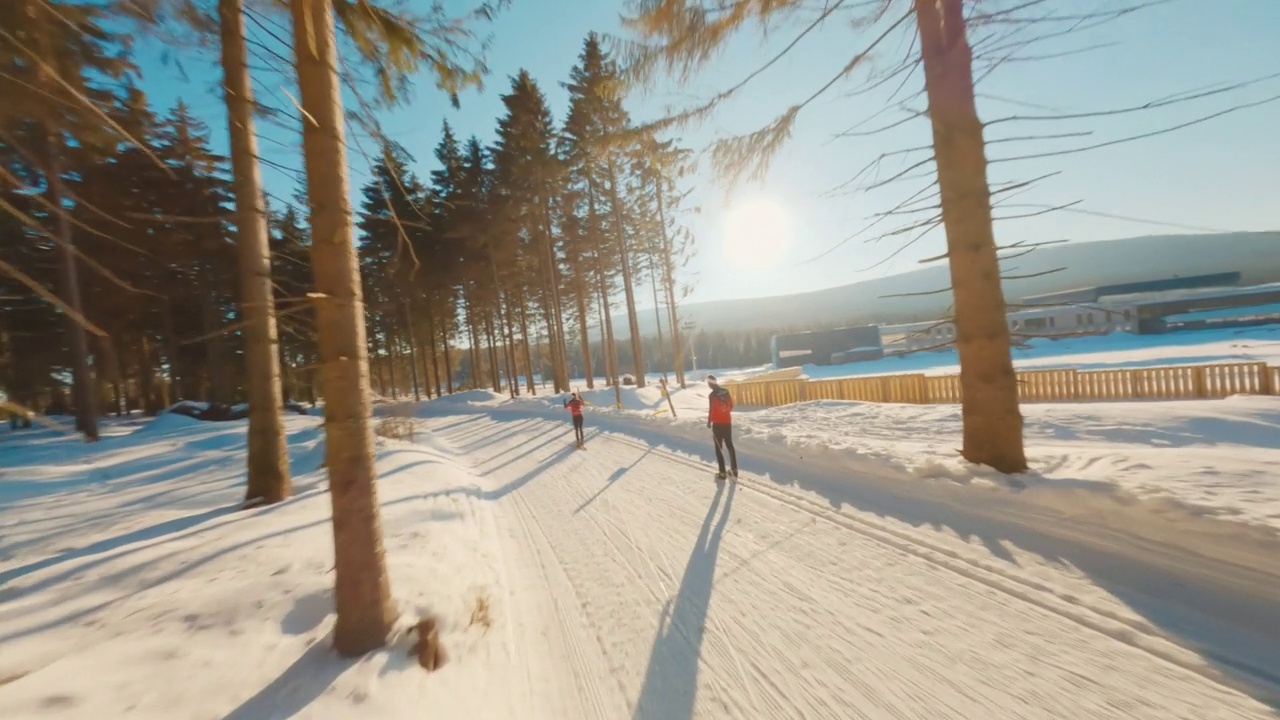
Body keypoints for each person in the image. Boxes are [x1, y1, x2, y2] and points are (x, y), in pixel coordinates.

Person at [705, 375, 738, 479]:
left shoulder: (712, 395)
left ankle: (722, 472)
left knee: (719, 448)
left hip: (717, 424)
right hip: (727, 422)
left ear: (710, 384)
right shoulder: (725, 391)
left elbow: (711, 410)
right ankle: (734, 470)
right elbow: (731, 406)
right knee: (729, 445)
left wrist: (709, 422)